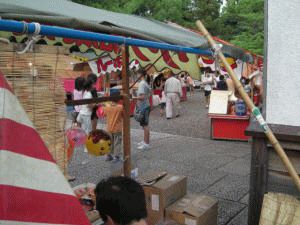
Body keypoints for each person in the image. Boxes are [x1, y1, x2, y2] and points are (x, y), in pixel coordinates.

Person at [136, 69, 151, 150]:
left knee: (145, 125)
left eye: (137, 74)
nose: (137, 75)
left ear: (141, 74)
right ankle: (145, 141)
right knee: (144, 125)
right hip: (146, 105)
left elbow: (142, 97)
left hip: (143, 106)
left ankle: (146, 143)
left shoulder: (142, 84)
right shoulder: (145, 83)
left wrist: (134, 98)